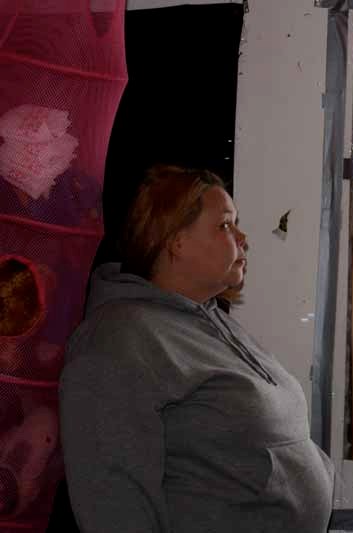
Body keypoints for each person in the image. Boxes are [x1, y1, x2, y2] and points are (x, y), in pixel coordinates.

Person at [59, 165, 334, 532]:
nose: (243, 237)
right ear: (175, 239)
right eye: (224, 225)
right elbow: (112, 498)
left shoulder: (209, 321)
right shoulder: (117, 339)